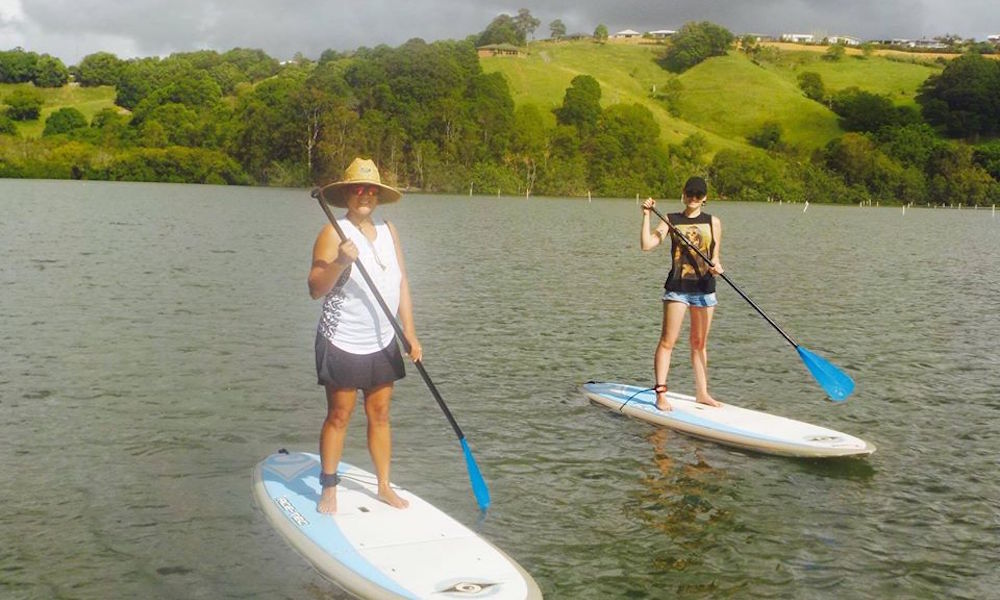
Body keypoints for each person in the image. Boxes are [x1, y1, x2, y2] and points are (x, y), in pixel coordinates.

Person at [308, 157, 422, 514]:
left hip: (383, 338)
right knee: (340, 415)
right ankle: (329, 487)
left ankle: (384, 486)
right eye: (357, 188)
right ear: (346, 194)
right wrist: (341, 262)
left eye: (371, 189)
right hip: (343, 338)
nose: (364, 195)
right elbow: (314, 288)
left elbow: (400, 282)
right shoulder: (333, 233)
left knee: (381, 413)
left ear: (378, 195)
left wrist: (410, 332)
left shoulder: (389, 231)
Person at [640, 176, 724, 411]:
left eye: (698, 195)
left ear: (705, 198)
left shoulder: (713, 222)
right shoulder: (670, 219)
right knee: (668, 342)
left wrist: (717, 267)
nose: (693, 198)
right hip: (677, 289)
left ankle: (702, 393)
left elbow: (715, 256)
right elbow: (647, 245)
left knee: (699, 344)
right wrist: (646, 215)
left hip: (705, 290)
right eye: (690, 194)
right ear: (683, 194)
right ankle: (660, 394)